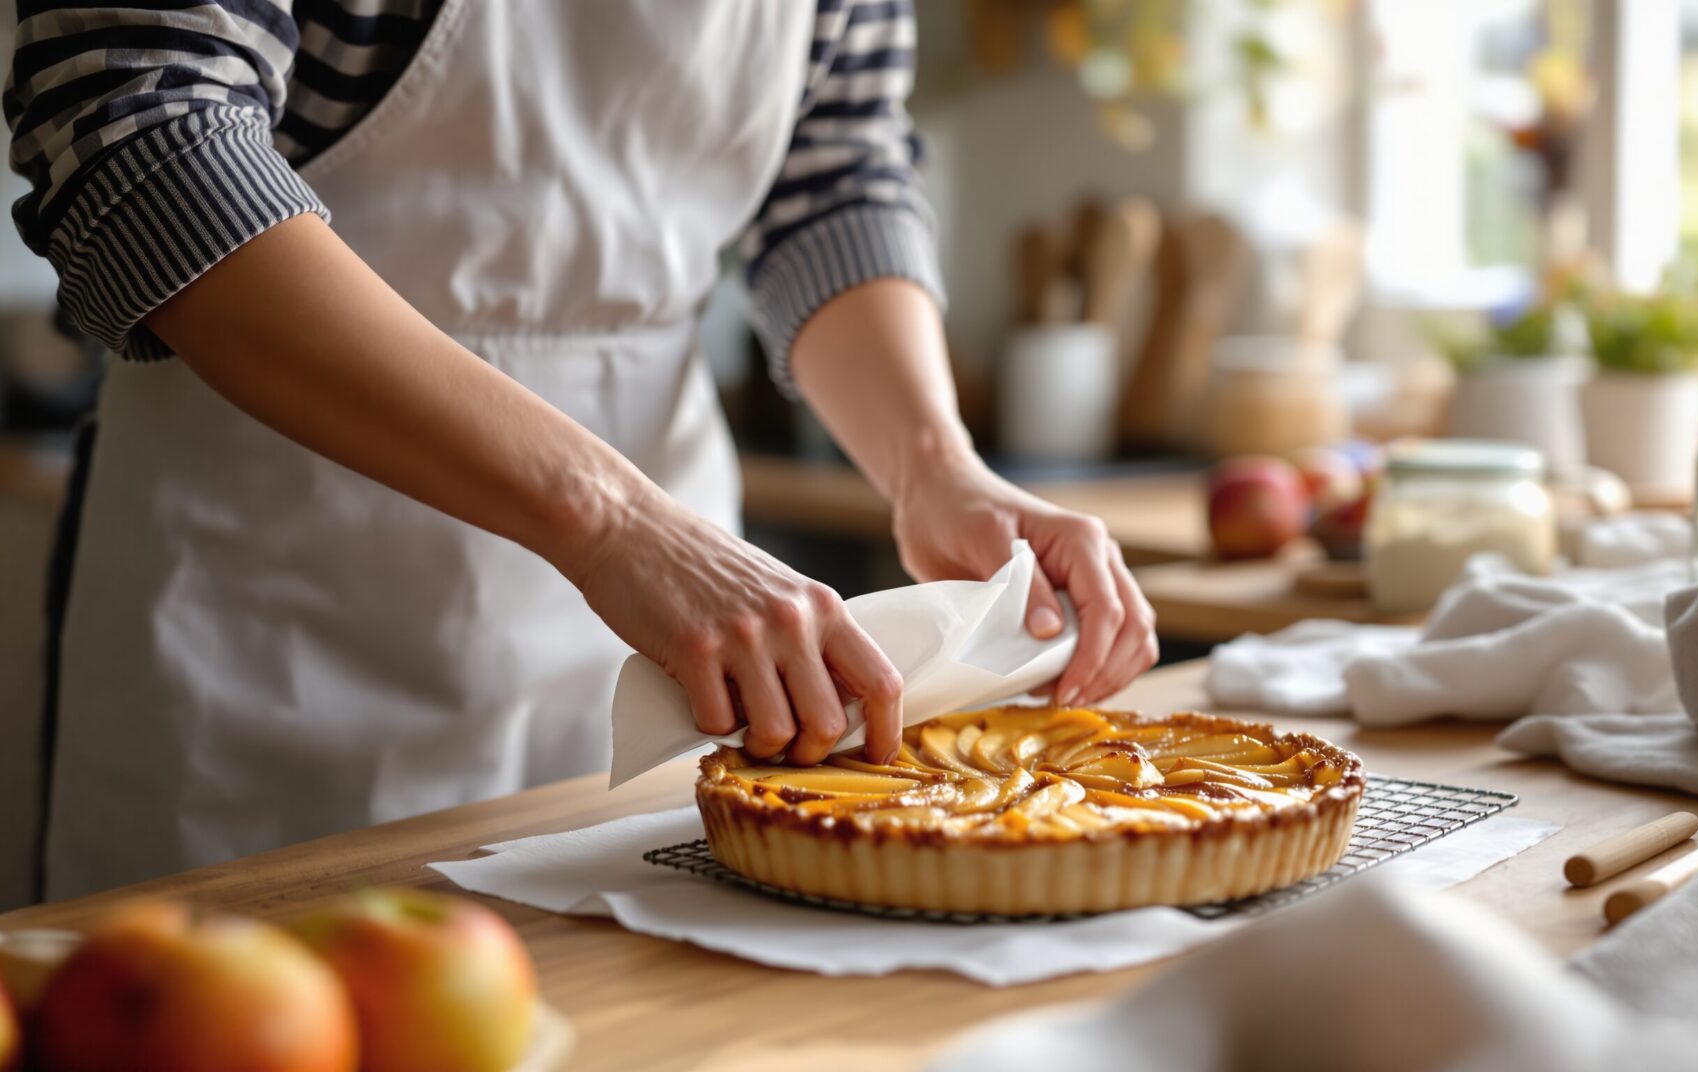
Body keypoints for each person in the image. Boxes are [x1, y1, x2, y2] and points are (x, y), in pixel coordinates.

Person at [6, 0, 1157, 899]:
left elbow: (836, 172)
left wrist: (933, 466)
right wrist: (612, 522)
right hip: (265, 622)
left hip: (684, 635)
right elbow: (139, 134)